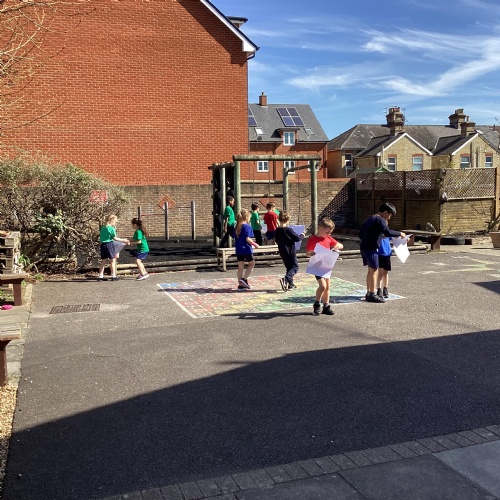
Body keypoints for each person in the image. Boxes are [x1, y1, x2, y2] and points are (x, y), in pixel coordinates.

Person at [359, 202, 405, 303]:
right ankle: (372, 294)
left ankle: (369, 292)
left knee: (370, 270)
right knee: (374, 269)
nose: (389, 218)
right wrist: (400, 233)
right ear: (385, 212)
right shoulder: (380, 219)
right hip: (371, 248)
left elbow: (361, 233)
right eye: (390, 215)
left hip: (364, 247)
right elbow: (387, 231)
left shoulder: (371, 218)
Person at [306, 217, 343, 316]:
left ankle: (326, 306)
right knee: (323, 286)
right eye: (327, 232)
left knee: (327, 286)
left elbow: (340, 245)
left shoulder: (328, 238)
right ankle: (317, 303)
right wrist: (311, 253)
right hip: (316, 265)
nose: (329, 234)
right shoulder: (312, 239)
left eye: (330, 232)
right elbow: (307, 253)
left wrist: (337, 246)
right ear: (320, 228)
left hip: (326, 265)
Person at [275, 210, 304, 291]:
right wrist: (302, 235)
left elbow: (276, 240)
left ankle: (290, 284)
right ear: (288, 220)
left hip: (282, 251)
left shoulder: (277, 230)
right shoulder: (288, 230)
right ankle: (286, 279)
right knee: (295, 267)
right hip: (290, 251)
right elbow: (297, 238)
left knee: (289, 267)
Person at [98, 215, 130, 281]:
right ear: (112, 220)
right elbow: (115, 238)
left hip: (103, 245)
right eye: (115, 221)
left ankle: (100, 276)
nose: (115, 222)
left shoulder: (103, 227)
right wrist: (124, 240)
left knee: (103, 261)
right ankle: (113, 276)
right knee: (112, 260)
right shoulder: (111, 228)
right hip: (109, 244)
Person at [234, 208, 259, 290]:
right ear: (246, 217)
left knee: (240, 267)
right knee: (252, 264)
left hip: (238, 249)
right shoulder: (247, 227)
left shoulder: (237, 227)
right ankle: (244, 279)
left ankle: (240, 285)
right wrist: (255, 244)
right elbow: (248, 239)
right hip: (246, 249)